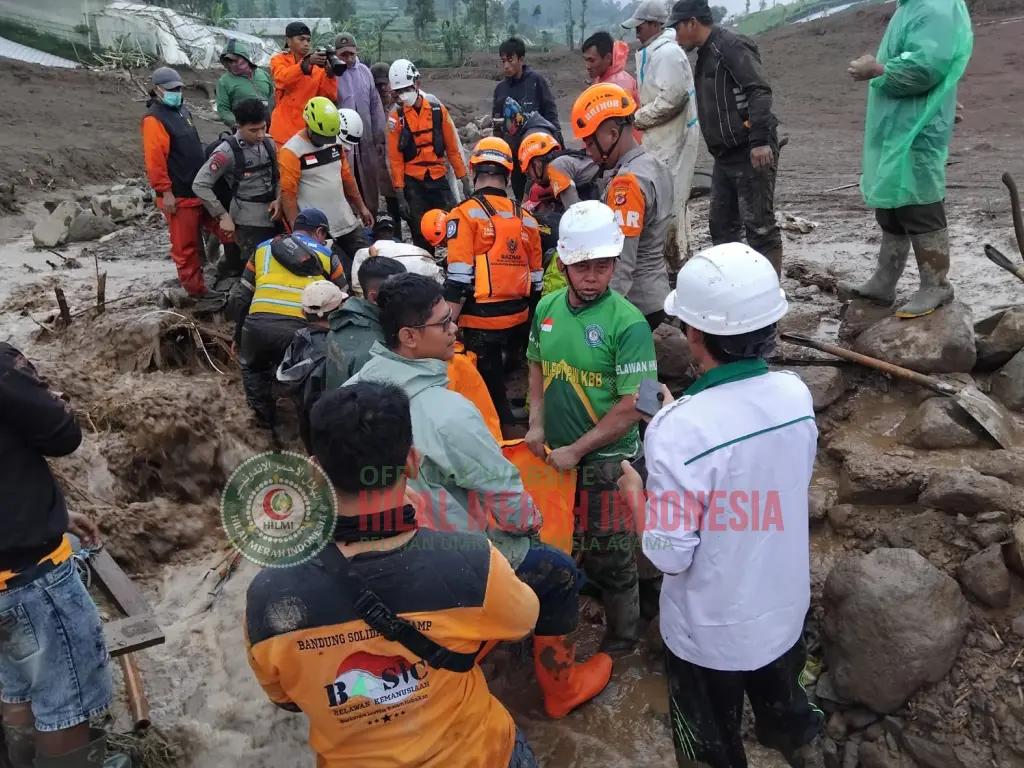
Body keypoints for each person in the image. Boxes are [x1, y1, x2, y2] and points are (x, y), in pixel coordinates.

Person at [346, 274, 613, 718]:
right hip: (441, 548)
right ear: (409, 337)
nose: (455, 330)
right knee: (559, 571)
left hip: (374, 545)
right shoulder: (447, 413)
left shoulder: (354, 388)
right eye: (444, 323)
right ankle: (561, 687)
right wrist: (531, 526)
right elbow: (505, 497)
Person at [245, 382, 543, 768]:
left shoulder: (268, 596)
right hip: (480, 756)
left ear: (315, 472)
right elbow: (523, 620)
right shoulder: (472, 562)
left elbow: (284, 700)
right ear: (412, 463)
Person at [618, 243, 824, 768]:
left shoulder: (680, 430)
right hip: (781, 611)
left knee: (709, 749)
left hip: (707, 634)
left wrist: (635, 494)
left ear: (693, 333)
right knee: (789, 712)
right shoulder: (795, 395)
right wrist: (678, 417)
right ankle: (807, 750)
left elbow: (669, 555)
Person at [525, 201, 658, 654]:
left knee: (615, 552)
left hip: (606, 460)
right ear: (563, 262)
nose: (591, 276)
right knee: (564, 534)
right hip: (556, 456)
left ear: (614, 264)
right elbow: (537, 367)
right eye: (582, 266)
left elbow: (634, 407)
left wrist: (577, 450)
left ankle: (622, 639)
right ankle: (584, 590)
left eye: (602, 266)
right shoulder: (545, 307)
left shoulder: (629, 323)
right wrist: (536, 423)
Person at [0, 344, 116, 768]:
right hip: (32, 581)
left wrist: (49, 513)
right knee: (65, 704)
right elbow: (62, 434)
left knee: (18, 686)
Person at [836, 0, 973, 318]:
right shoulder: (911, 7)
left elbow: (925, 67)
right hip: (901, 124)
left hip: (915, 129)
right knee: (891, 206)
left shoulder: (934, 8)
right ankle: (884, 283)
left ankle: (937, 284)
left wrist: (877, 70)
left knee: (919, 203)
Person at [670, 0, 783, 276]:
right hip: (725, 156)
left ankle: (766, 298)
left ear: (692, 22)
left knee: (760, 227)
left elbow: (759, 91)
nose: (675, 35)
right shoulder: (707, 53)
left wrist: (758, 142)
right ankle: (734, 286)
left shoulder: (730, 46)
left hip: (750, 151)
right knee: (721, 226)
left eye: (677, 27)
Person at [444, 138, 543, 432]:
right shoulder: (528, 218)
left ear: (474, 171)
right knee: (513, 375)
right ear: (508, 174)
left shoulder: (463, 214)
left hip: (481, 322)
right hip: (521, 319)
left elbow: (458, 280)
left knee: (489, 390)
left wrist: (446, 324)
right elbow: (537, 281)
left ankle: (503, 431)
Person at [233, 208, 348, 439]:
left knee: (254, 370)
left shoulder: (263, 248)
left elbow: (241, 296)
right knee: (304, 381)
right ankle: (304, 433)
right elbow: (342, 300)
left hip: (257, 326)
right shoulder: (328, 255)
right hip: (299, 331)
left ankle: (265, 431)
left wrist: (239, 336)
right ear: (320, 231)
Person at [571, 83, 673, 330]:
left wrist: (603, 317)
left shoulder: (627, 183)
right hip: (656, 294)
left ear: (613, 135)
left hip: (635, 306)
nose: (588, 152)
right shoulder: (656, 166)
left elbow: (622, 258)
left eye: (590, 143)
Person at [621, 0, 699, 271]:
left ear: (655, 24)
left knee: (671, 202)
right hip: (661, 136)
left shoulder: (668, 54)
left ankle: (676, 263)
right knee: (667, 199)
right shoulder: (654, 52)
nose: (636, 32)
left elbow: (672, 98)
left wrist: (639, 118)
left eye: (640, 27)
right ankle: (675, 259)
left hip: (673, 137)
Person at [142, 66, 229, 298]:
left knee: (225, 228)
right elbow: (155, 160)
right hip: (178, 195)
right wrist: (165, 192)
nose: (176, 92)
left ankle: (231, 268)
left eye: (178, 88)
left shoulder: (182, 111)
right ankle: (196, 291)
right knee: (186, 246)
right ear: (156, 90)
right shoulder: (154, 120)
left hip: (199, 189)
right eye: (171, 89)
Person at [279, 97, 374, 279]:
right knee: (338, 274)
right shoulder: (291, 152)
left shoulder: (335, 141)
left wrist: (361, 207)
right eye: (322, 137)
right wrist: (296, 231)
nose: (326, 141)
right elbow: (288, 194)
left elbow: (346, 178)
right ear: (310, 126)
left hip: (345, 219)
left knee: (368, 261)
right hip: (318, 229)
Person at [386, 59, 471, 253]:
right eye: (399, 91)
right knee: (419, 230)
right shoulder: (395, 118)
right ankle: (426, 266)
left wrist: (464, 179)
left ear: (417, 84)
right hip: (413, 182)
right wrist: (400, 195)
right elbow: (395, 160)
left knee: (452, 224)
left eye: (406, 88)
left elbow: (452, 149)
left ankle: (458, 262)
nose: (403, 94)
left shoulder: (436, 110)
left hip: (437, 176)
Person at [193, 98, 281, 280]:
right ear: (239, 126)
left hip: (273, 213)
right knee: (258, 269)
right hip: (247, 219)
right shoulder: (226, 152)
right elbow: (200, 184)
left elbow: (278, 175)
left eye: (263, 128)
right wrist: (222, 216)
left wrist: (278, 199)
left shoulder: (268, 144)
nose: (260, 135)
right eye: (253, 130)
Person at [276, 280, 346, 453]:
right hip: (331, 424)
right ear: (338, 311)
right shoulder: (335, 349)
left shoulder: (299, 338)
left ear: (302, 312)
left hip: (307, 419)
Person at [325, 255, 408, 388]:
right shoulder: (376, 352)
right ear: (374, 298)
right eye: (400, 292)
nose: (407, 299)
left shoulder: (343, 320)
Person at [334, 33, 387, 222]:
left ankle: (371, 216)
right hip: (343, 139)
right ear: (337, 55)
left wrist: (379, 136)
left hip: (366, 138)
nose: (348, 59)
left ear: (357, 51)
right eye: (343, 55)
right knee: (346, 177)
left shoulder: (365, 72)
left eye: (351, 54)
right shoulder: (332, 74)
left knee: (370, 177)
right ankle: (349, 219)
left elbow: (375, 105)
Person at [269, 21, 339, 148]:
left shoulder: (317, 67)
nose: (306, 44)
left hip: (307, 130)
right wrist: (304, 65)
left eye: (308, 40)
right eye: (301, 39)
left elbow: (328, 97)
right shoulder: (278, 60)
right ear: (289, 41)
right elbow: (282, 79)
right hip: (282, 132)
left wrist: (330, 75)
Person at [370, 61, 404, 240]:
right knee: (392, 210)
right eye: (378, 84)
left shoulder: (400, 106)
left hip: (403, 168)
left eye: (385, 83)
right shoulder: (372, 109)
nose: (382, 87)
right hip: (383, 172)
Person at [216, 38, 273, 130]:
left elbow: (272, 99)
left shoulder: (263, 74)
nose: (233, 64)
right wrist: (239, 125)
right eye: (230, 61)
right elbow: (223, 110)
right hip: (244, 131)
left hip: (269, 127)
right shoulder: (224, 81)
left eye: (236, 60)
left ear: (244, 57)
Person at [582, 31, 640, 105]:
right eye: (586, 60)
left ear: (608, 57)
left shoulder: (619, 86)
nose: (587, 66)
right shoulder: (604, 76)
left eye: (591, 60)